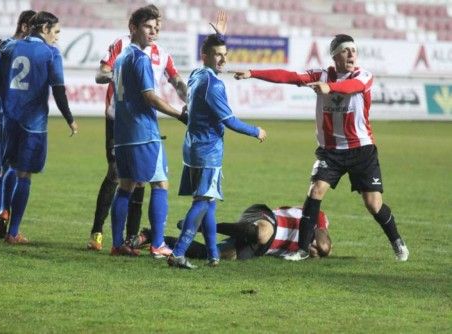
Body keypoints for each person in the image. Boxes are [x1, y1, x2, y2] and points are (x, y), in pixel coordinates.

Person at [233, 34, 409, 262]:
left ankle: (397, 241)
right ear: (335, 55)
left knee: (373, 204)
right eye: (345, 50)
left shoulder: (363, 76)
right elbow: (288, 76)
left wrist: (329, 87)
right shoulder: (321, 75)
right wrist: (253, 73)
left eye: (353, 50)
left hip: (361, 149)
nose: (351, 54)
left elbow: (352, 87)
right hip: (331, 151)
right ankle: (302, 249)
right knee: (315, 190)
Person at [87, 4, 187, 252]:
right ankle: (156, 243)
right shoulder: (129, 52)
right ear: (134, 27)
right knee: (156, 182)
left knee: (129, 183)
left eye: (157, 28)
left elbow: (177, 83)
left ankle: (123, 241)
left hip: (124, 128)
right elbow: (148, 96)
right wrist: (180, 115)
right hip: (139, 127)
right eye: (149, 27)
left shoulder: (141, 56)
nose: (154, 32)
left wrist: (190, 99)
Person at [166, 33, 267, 269]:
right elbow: (229, 120)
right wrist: (256, 131)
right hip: (208, 151)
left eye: (225, 54)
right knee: (202, 202)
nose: (223, 59)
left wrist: (219, 34)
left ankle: (213, 254)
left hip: (192, 148)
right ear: (205, 56)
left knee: (209, 203)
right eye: (217, 55)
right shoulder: (214, 84)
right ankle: (178, 252)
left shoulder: (197, 75)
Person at [0, 11, 78, 244]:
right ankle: (13, 232)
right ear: (44, 29)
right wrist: (69, 118)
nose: (57, 37)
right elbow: (59, 89)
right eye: (56, 31)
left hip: (9, 119)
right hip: (33, 124)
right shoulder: (50, 52)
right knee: (25, 176)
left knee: (11, 168)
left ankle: (3, 212)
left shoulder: (12, 47)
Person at [0, 9, 36, 238]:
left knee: (6, 170)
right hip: (4, 117)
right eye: (35, 27)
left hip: (7, 117)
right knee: (5, 170)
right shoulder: (9, 48)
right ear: (24, 27)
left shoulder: (12, 48)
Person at [153, 204, 331, 261]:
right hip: (265, 218)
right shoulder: (316, 215)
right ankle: (206, 226)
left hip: (260, 248)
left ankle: (155, 238)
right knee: (263, 233)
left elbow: (318, 250)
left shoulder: (306, 248)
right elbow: (324, 246)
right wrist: (321, 228)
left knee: (213, 253)